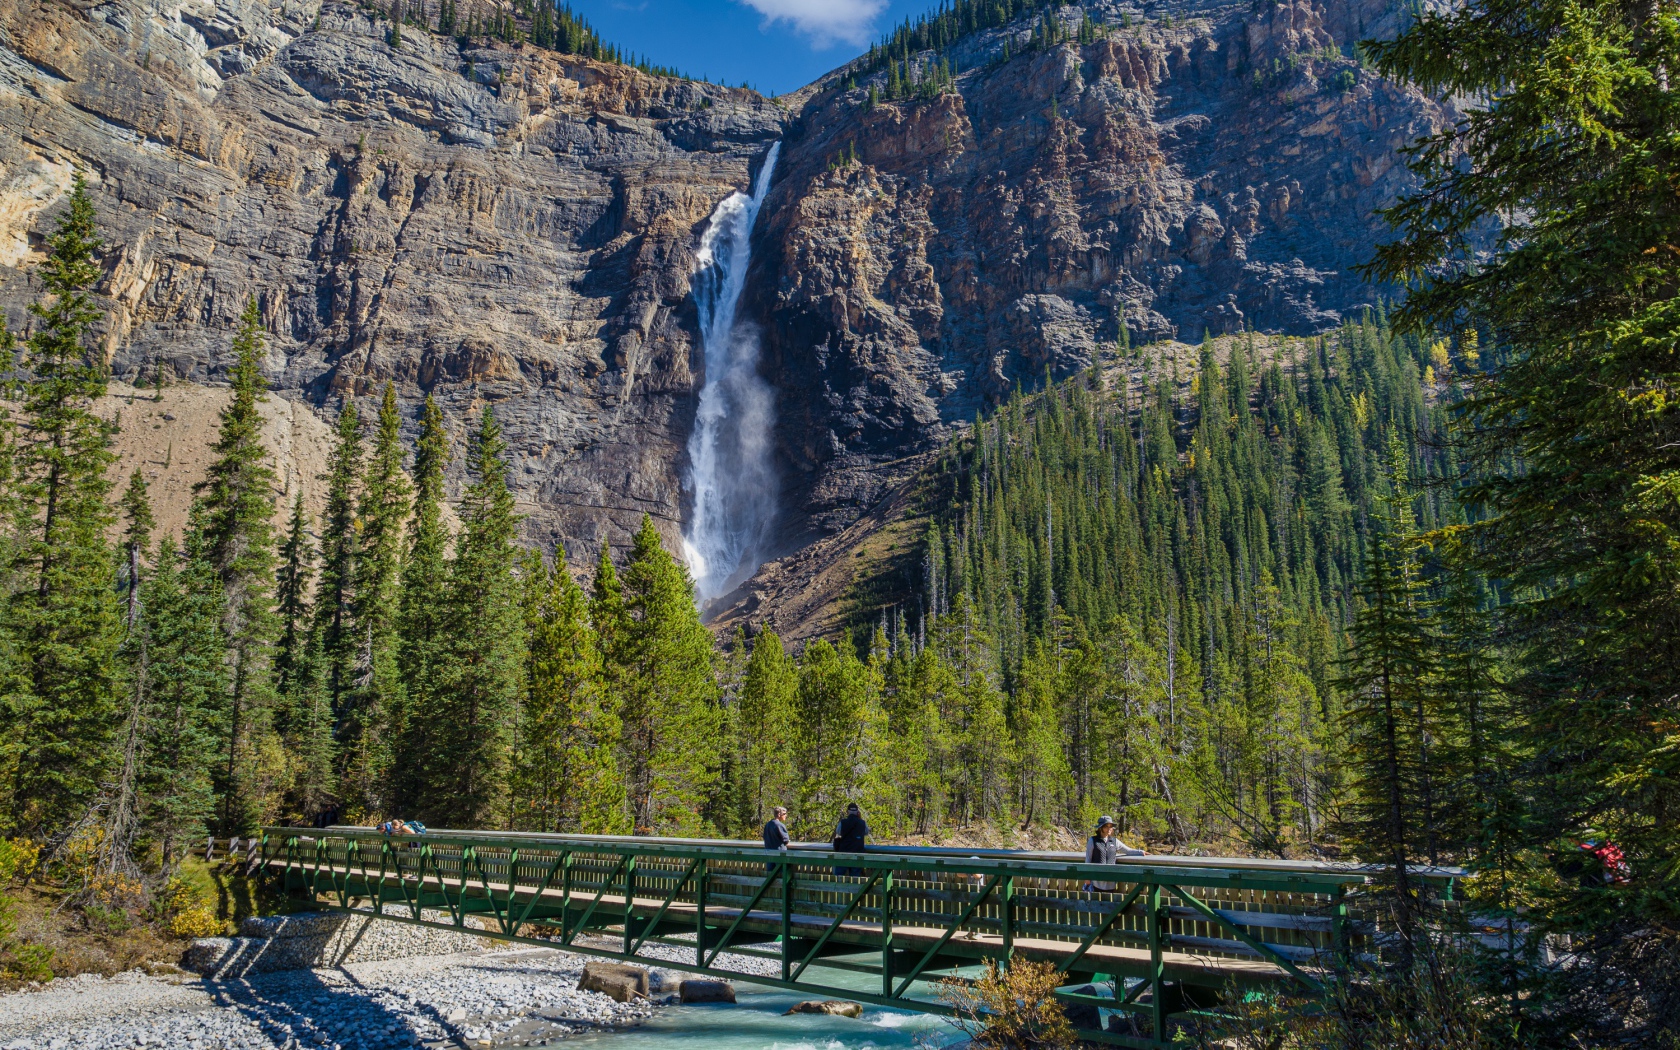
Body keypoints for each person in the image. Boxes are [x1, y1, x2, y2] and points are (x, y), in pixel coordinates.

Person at [1083, 816, 1145, 892]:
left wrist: (1141, 852)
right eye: (1106, 826)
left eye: (1111, 826)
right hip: (1097, 880)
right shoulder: (1093, 840)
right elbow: (1088, 859)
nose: (1109, 829)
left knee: (1110, 902)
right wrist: (1087, 877)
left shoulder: (1114, 841)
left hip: (1111, 880)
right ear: (1100, 827)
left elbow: (1128, 851)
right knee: (1096, 903)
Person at [833, 803, 869, 877]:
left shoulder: (843, 822)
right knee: (855, 877)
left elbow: (838, 831)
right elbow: (866, 832)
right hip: (857, 853)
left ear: (847, 812)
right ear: (857, 812)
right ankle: (855, 888)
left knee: (839, 876)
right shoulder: (862, 823)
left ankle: (838, 888)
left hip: (844, 853)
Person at [762, 806, 790, 874]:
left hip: (769, 853)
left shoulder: (768, 824)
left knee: (770, 876)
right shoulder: (779, 825)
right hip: (779, 855)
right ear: (779, 814)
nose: (786, 815)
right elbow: (786, 840)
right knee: (782, 875)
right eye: (784, 814)